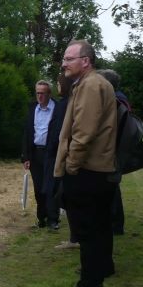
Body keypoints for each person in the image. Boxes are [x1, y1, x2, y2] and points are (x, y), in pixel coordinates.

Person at [52, 40, 118, 287]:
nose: (64, 63)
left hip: (88, 171)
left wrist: (71, 166)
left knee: (89, 232)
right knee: (98, 231)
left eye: (69, 59)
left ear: (85, 61)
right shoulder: (90, 83)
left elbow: (83, 133)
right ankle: (93, 285)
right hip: (96, 171)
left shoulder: (91, 86)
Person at [21, 80, 60, 231]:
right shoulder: (32, 109)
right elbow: (27, 133)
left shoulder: (57, 109)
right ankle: (41, 218)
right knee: (38, 188)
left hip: (52, 153)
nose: (40, 96)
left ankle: (53, 219)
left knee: (51, 187)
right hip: (35, 153)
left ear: (49, 93)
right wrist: (26, 156)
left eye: (43, 93)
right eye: (37, 93)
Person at [49, 74, 81, 251]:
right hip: (68, 156)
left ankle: (76, 238)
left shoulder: (65, 105)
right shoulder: (71, 102)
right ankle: (75, 237)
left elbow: (59, 133)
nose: (57, 86)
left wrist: (53, 153)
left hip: (65, 158)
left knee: (66, 198)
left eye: (58, 83)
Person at [97, 68, 128, 237]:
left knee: (111, 188)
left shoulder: (116, 100)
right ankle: (115, 223)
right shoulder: (121, 98)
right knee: (112, 187)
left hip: (112, 150)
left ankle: (115, 225)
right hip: (116, 149)